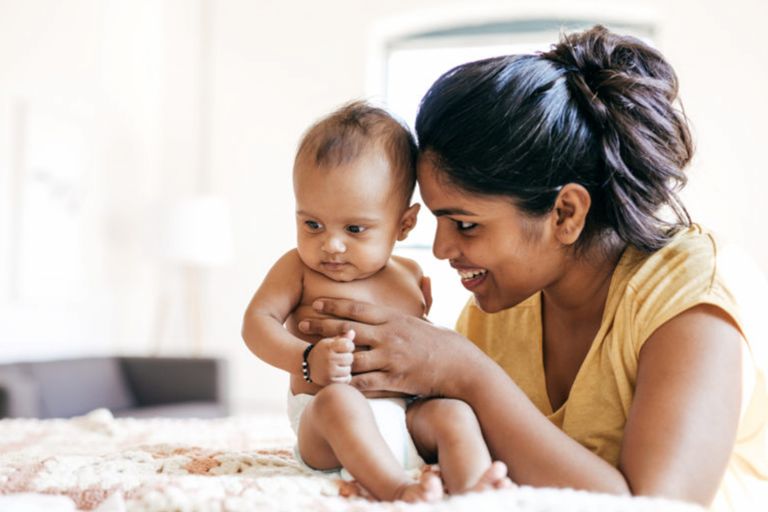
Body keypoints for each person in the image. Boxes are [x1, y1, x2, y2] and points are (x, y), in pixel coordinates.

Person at [296, 26, 768, 511]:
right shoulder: (493, 314)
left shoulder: (690, 294)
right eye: (439, 220)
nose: (440, 248)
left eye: (465, 223)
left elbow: (659, 505)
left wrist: (469, 375)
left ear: (566, 213)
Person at [241, 101, 511, 502]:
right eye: (312, 224)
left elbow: (418, 350)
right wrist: (306, 358)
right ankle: (399, 489)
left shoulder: (410, 275)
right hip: (326, 425)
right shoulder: (297, 268)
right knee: (340, 401)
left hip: (404, 416)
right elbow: (256, 324)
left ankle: (471, 488)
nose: (330, 244)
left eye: (354, 228)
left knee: (454, 414)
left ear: (404, 224)